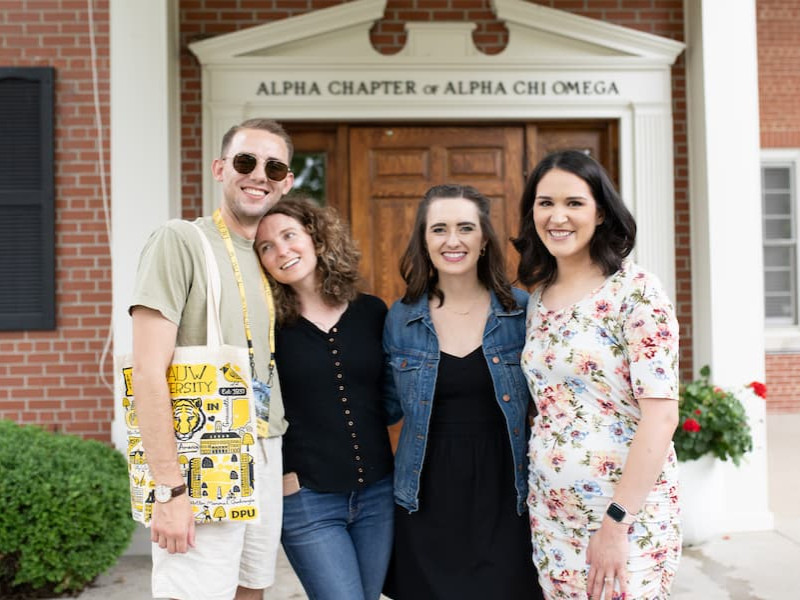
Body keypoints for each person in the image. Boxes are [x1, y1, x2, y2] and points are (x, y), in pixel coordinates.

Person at [130, 118, 294, 600]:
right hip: (204, 454)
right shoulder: (180, 241)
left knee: (251, 590)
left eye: (273, 166)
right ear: (221, 169)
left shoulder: (267, 257)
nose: (258, 174)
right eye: (246, 162)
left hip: (264, 450)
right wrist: (169, 490)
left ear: (285, 182)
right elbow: (147, 371)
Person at [513, 150, 681, 600]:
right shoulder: (539, 299)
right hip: (551, 514)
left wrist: (616, 523)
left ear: (601, 211)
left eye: (574, 202)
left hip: (624, 516)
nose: (557, 216)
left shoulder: (636, 291)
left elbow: (661, 417)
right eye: (545, 203)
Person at [382, 184, 543, 599]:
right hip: (425, 496)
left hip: (507, 496)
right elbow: (381, 406)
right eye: (438, 229)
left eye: (465, 228)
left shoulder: (522, 312)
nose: (452, 240)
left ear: (484, 239)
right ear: (424, 240)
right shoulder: (401, 318)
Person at [254, 195, 395, 600]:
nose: (281, 250)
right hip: (307, 499)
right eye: (266, 247)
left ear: (316, 238)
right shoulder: (266, 328)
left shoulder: (372, 312)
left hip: (377, 495)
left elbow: (390, 396)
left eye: (288, 235)